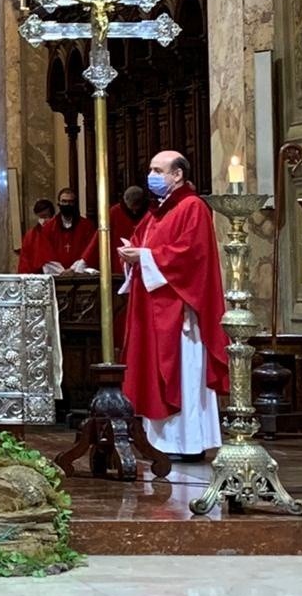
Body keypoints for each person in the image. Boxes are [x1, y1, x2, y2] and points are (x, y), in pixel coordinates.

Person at [120, 151, 227, 459]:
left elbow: (191, 255)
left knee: (184, 375)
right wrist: (132, 254)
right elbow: (142, 242)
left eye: (158, 170)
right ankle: (161, 443)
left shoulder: (192, 207)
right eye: (151, 169)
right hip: (153, 308)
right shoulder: (158, 211)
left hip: (180, 312)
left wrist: (145, 256)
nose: (151, 176)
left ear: (177, 174)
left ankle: (188, 443)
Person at [73, 185, 149, 273]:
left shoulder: (149, 212)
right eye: (132, 208)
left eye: (137, 208)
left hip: (143, 264)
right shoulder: (114, 212)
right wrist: (85, 260)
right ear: (125, 201)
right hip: (118, 266)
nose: (134, 212)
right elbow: (98, 239)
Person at [38, 187, 95, 273]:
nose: (67, 204)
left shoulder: (87, 226)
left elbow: (89, 251)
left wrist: (73, 269)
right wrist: (62, 272)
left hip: (80, 274)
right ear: (59, 203)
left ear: (75, 204)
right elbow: (46, 253)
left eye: (70, 202)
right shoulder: (48, 228)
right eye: (64, 201)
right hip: (57, 275)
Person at [17, 199, 55, 274]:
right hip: (36, 275)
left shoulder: (59, 232)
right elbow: (25, 259)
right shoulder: (31, 235)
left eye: (46, 216)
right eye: (41, 217)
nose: (44, 220)